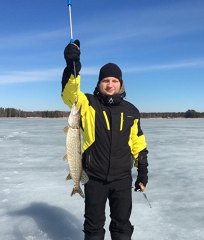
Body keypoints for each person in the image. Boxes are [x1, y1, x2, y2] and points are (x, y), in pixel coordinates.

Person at [61, 40, 149, 240]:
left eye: (114, 81)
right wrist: (72, 68)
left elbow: (138, 144)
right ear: (99, 83)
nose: (110, 85)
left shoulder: (131, 111)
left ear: (120, 83)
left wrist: (142, 171)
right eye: (105, 81)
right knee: (93, 228)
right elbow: (70, 94)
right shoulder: (88, 103)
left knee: (122, 227)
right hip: (95, 178)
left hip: (122, 179)